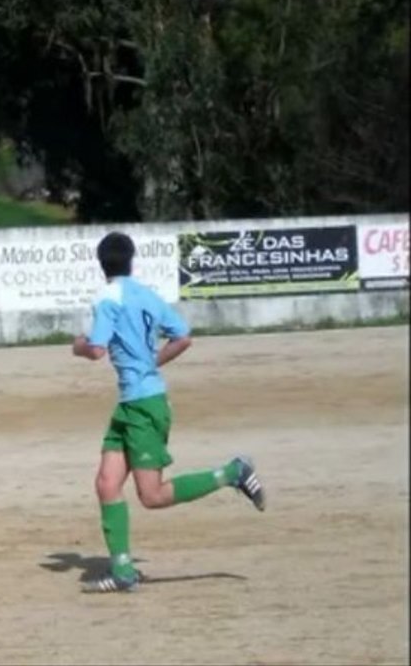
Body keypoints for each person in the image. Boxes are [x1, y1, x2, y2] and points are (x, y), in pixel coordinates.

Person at [72, 231, 265, 594]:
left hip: (144, 407)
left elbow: (96, 350)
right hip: (131, 405)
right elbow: (183, 337)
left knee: (152, 495)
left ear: (101, 265)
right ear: (131, 261)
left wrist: (77, 346)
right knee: (106, 484)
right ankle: (124, 571)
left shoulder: (107, 297)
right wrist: (152, 362)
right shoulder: (147, 296)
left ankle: (232, 472)